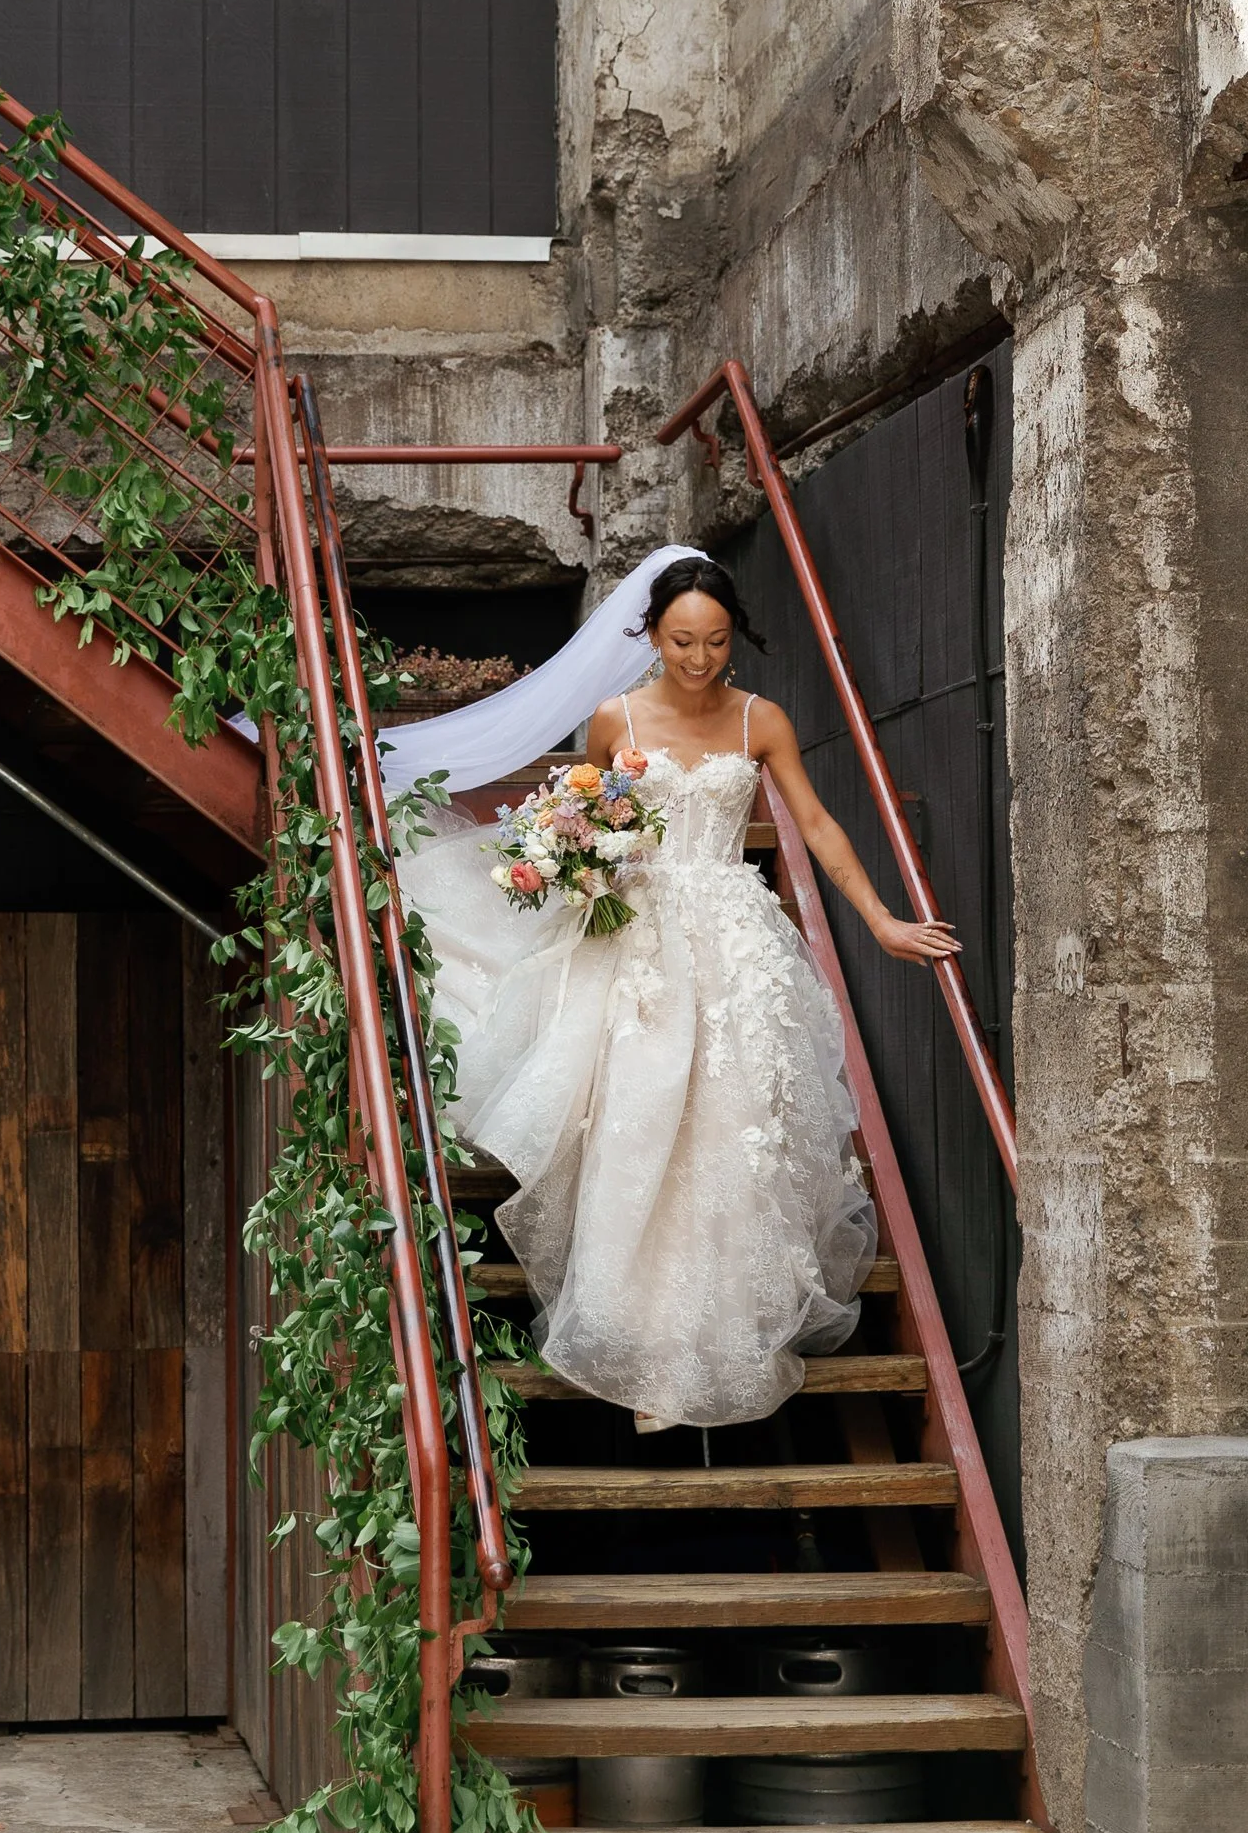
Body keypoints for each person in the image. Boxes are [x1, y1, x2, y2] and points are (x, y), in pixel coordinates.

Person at [391, 554, 957, 1432]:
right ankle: (635, 1331)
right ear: (651, 636)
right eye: (683, 640)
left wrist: (884, 922)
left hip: (734, 937)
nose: (700, 658)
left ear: (739, 636)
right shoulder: (614, 715)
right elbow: (594, 810)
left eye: (718, 640)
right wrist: (581, 868)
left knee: (734, 1129)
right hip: (641, 938)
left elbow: (815, 822)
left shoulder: (760, 719)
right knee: (642, 1118)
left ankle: (716, 1335)